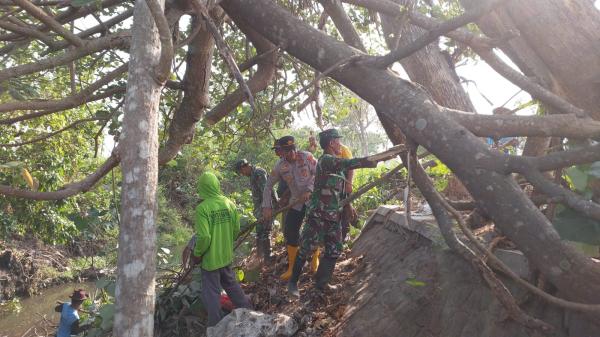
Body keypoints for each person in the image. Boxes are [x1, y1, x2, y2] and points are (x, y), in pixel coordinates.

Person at [287, 129, 401, 296]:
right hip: (318, 215)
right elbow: (348, 164)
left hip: (333, 216)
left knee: (334, 249)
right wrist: (374, 159)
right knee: (306, 248)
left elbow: (341, 190)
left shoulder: (336, 164)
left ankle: (321, 284)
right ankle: (292, 284)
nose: (340, 144)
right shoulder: (326, 160)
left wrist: (348, 206)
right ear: (331, 143)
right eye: (338, 141)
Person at [191, 172, 252, 327]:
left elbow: (204, 237)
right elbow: (236, 229)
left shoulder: (202, 208)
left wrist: (197, 254)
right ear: (216, 185)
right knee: (231, 284)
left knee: (211, 293)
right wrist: (225, 242)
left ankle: (215, 325)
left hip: (210, 260)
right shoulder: (228, 203)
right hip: (225, 256)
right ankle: (249, 311)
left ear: (202, 188)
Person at [262, 136, 318, 280]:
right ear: (281, 151)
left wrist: (310, 190)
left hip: (313, 200)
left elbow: (319, 173)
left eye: (292, 149)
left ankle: (314, 260)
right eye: (286, 151)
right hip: (296, 201)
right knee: (290, 231)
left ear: (295, 148)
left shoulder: (307, 157)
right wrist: (266, 206)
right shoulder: (280, 166)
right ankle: (293, 267)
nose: (290, 153)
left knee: (315, 228)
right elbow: (268, 186)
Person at [234, 158, 275, 262]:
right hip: (260, 209)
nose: (242, 174)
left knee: (265, 231)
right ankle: (259, 258)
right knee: (259, 232)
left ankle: (268, 258)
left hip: (266, 207)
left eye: (241, 171)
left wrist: (266, 209)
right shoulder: (253, 175)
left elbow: (266, 192)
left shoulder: (258, 173)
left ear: (245, 166)